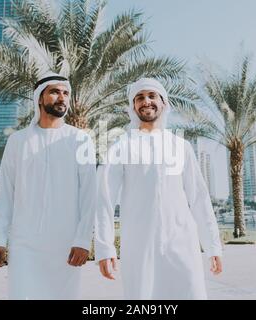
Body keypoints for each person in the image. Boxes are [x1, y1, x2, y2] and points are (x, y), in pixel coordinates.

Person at [95, 78, 223, 299]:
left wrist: (213, 246)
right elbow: (104, 198)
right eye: (139, 98)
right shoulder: (121, 146)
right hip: (140, 245)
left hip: (183, 243)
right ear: (133, 107)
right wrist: (105, 248)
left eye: (152, 96)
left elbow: (199, 198)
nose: (146, 101)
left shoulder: (181, 146)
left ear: (163, 103)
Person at [0, 72, 97, 299]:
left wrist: (82, 240)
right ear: (40, 98)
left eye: (66, 93)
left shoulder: (80, 139)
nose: (62, 98)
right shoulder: (18, 141)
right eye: (55, 92)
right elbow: (5, 193)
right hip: (24, 244)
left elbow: (89, 194)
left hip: (66, 245)